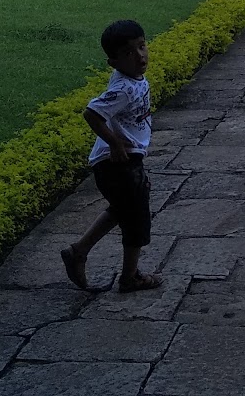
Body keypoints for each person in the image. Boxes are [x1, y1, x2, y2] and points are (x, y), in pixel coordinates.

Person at [60, 19, 160, 293]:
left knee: (123, 210)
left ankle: (78, 251)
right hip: (118, 163)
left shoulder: (132, 79)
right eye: (129, 53)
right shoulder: (124, 88)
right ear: (113, 62)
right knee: (136, 221)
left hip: (123, 161)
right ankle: (130, 277)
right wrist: (115, 144)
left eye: (142, 46)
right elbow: (91, 113)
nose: (140, 56)